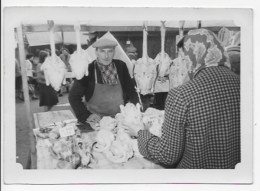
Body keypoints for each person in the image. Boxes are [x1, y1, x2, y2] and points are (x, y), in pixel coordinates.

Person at [123, 28, 240, 169]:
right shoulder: (243, 85)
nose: (183, 65)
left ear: (194, 56)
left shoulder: (181, 95)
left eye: (184, 58)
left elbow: (167, 155)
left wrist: (139, 132)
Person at [69, 38, 139, 127]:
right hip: (96, 121)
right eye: (102, 51)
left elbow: (131, 90)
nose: (106, 56)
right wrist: (85, 115)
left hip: (119, 118)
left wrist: (136, 109)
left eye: (110, 51)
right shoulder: (88, 69)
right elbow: (73, 96)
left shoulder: (121, 66)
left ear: (114, 52)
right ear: (96, 52)